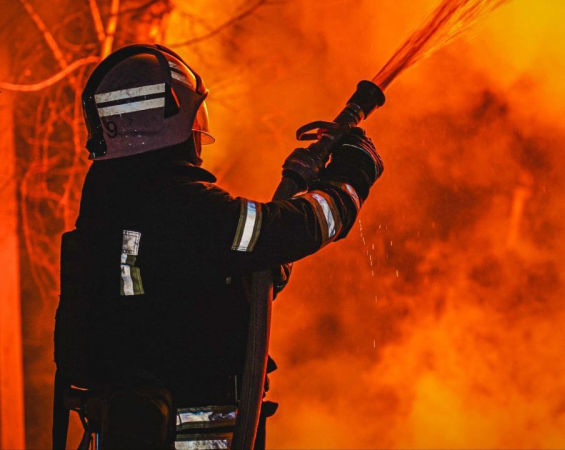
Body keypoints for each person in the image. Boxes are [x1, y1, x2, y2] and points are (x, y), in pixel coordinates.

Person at [53, 44, 382, 449]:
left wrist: (302, 186)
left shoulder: (114, 206)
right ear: (170, 117)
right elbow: (294, 230)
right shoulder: (184, 205)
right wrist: (352, 174)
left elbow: (232, 275)